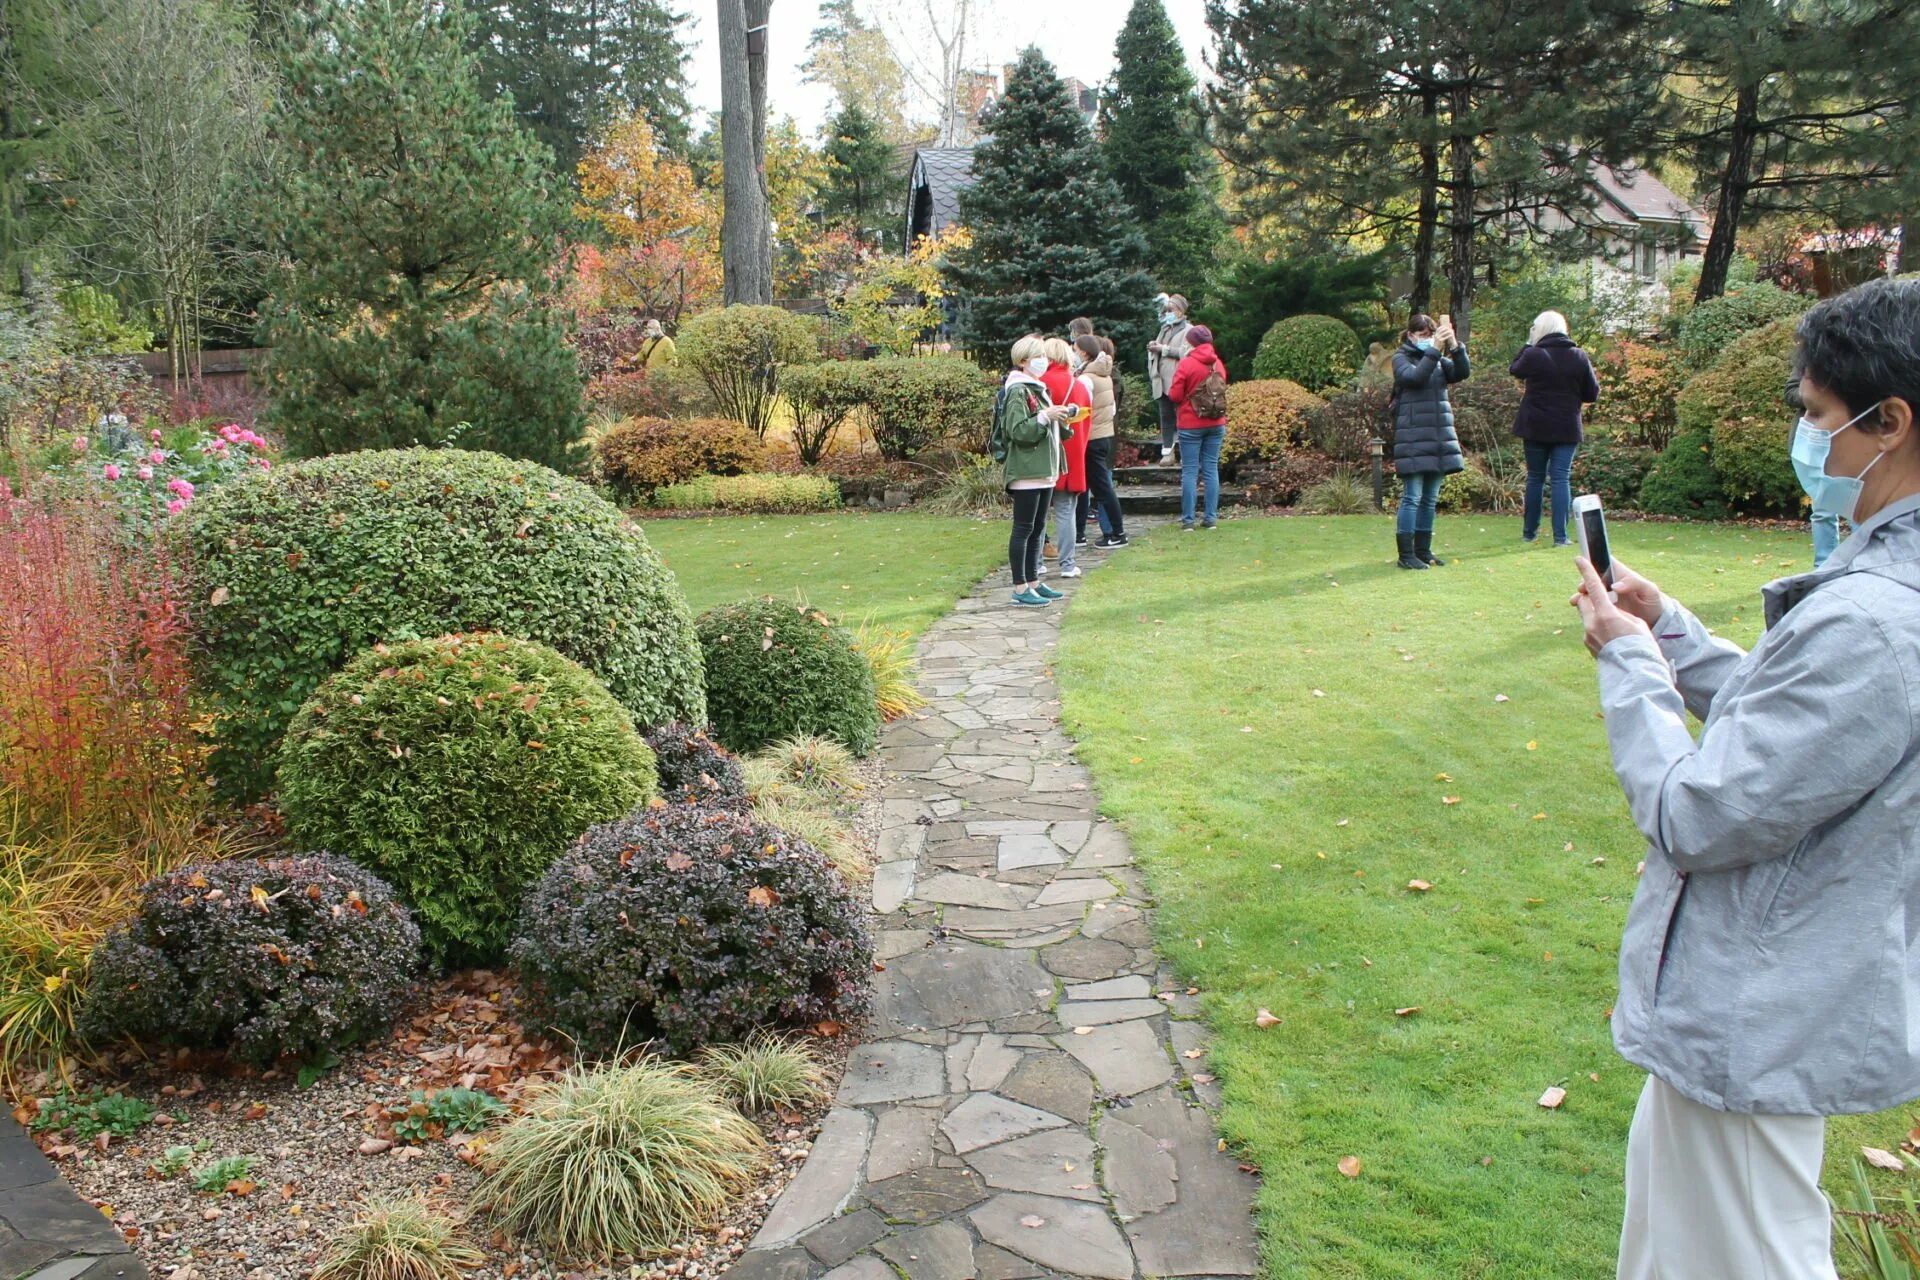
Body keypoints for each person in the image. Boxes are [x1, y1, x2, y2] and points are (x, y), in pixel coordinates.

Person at [1571, 278, 1920, 1280]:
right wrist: (1672, 634)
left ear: (1890, 422)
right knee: (1676, 1244)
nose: (1810, 442)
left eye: (1819, 414)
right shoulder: (1881, 595)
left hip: (1759, 1010)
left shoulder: (1875, 618)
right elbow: (1808, 740)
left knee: (1746, 1254)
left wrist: (1628, 660)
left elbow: (1700, 810)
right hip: (1763, 1008)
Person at [993, 335, 1072, 608]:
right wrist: (1045, 416)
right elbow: (1017, 431)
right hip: (1027, 470)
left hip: (1044, 469)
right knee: (1024, 528)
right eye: (1038, 356)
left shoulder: (1037, 388)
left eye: (1045, 356)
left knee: (1038, 528)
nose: (1043, 362)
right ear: (1024, 360)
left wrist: (1061, 418)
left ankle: (1033, 582)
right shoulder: (1018, 390)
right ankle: (1020, 587)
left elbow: (1044, 425)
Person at [1510, 310, 1601, 547]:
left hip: (1535, 424)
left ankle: (1529, 532)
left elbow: (1515, 369)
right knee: (1561, 478)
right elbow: (1592, 393)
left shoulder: (1533, 354)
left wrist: (1528, 343)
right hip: (1566, 425)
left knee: (1535, 478)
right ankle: (1561, 536)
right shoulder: (1579, 356)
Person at [1391, 312, 1470, 569]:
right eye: (1422, 335)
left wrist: (1454, 345)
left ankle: (1423, 551)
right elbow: (1414, 378)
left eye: (1431, 334)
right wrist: (1435, 349)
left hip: (1438, 439)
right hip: (1412, 438)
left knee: (1429, 499)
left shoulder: (1438, 361)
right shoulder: (1401, 358)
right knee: (1412, 497)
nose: (1427, 339)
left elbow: (1462, 372)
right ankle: (1406, 555)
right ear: (1410, 335)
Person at [1166, 323, 1229, 531]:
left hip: (1190, 423)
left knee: (1190, 471)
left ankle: (1188, 520)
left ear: (1192, 343)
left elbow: (1175, 395)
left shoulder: (1186, 364)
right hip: (1216, 422)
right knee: (1211, 469)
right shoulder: (1217, 363)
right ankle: (1210, 518)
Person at [1038, 338, 1092, 576]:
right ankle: (1068, 564)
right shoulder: (1078, 386)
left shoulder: (1038, 383)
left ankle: (1036, 563)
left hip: (1043, 455)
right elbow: (1086, 426)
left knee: (1038, 512)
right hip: (1070, 456)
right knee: (1066, 511)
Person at [1784, 373, 1843, 565]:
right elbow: (1790, 393)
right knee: (1823, 510)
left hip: (1856, 439)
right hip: (1818, 441)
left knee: (1862, 510)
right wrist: (1817, 396)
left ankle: (1866, 567)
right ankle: (1823, 568)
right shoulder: (1812, 360)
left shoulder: (1867, 360)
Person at [1075, 334, 1128, 547]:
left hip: (1091, 438)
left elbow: (1081, 409)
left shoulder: (1086, 379)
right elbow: (1111, 408)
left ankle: (1117, 532)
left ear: (1084, 352)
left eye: (1075, 349)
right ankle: (1112, 531)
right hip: (1104, 435)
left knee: (1101, 489)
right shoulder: (1104, 375)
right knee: (1101, 487)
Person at [1148, 294, 1193, 466]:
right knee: (1165, 418)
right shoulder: (1165, 329)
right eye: (1166, 310)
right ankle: (1167, 452)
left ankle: (1186, 454)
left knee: (1182, 418)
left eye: (1171, 310)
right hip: (1161, 382)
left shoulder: (1189, 330)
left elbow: (1186, 352)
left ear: (1181, 311)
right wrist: (1154, 347)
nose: (1168, 313)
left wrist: (1164, 349)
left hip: (1178, 382)